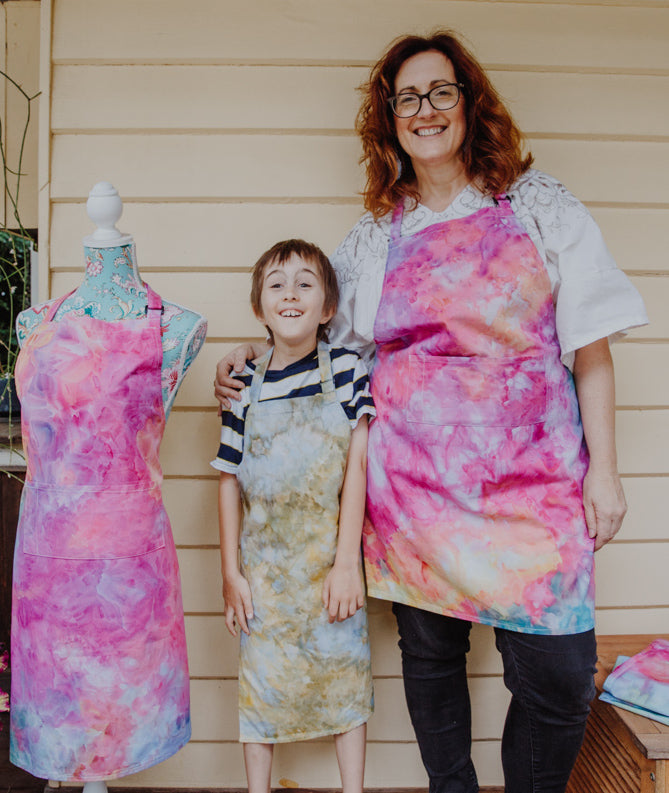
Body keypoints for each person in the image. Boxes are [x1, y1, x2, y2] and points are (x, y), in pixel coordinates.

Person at [215, 31, 649, 793]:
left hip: (534, 490)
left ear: (467, 101)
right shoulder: (374, 239)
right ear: (389, 119)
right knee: (432, 659)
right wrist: (253, 359)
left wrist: (603, 472)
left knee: (557, 677)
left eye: (439, 91)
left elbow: (590, 347)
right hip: (413, 494)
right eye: (406, 98)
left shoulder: (539, 206)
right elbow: (318, 335)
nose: (424, 110)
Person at [10, 183, 207, 791]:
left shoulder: (175, 327)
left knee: (123, 714)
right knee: (62, 712)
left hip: (128, 558)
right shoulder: (34, 322)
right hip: (48, 556)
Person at [211, 239, 374, 793]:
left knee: (344, 682)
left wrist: (346, 562)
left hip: (328, 563)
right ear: (260, 307)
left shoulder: (348, 370)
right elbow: (228, 480)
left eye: (306, 283)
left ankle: (352, 788)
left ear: (328, 307)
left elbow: (357, 466)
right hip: (265, 571)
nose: (291, 293)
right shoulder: (243, 386)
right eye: (277, 284)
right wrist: (232, 573)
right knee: (260, 688)